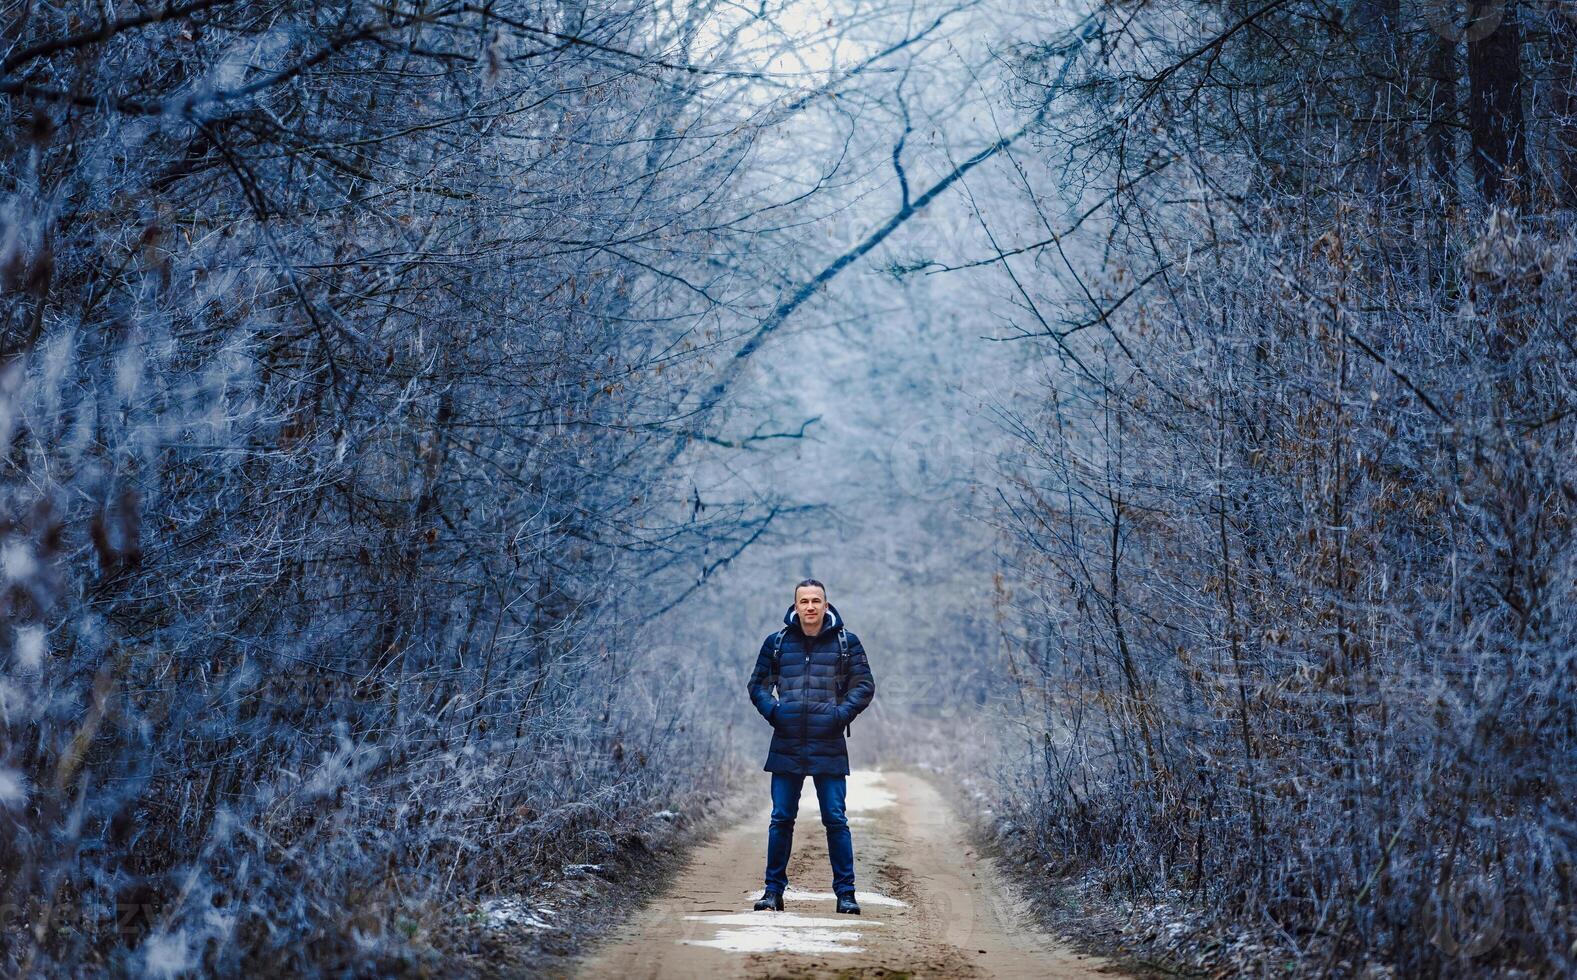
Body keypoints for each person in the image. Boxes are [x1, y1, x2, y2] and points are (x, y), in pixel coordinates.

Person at [745, 578, 875, 915]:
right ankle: (772, 892)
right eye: (804, 601)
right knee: (781, 819)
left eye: (816, 600)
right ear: (795, 606)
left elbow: (864, 686)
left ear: (826, 605)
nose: (811, 606)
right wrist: (775, 712)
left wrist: (840, 715)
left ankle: (846, 895)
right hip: (786, 743)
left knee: (835, 819)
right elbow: (757, 685)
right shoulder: (777, 643)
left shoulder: (847, 643)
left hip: (828, 743)